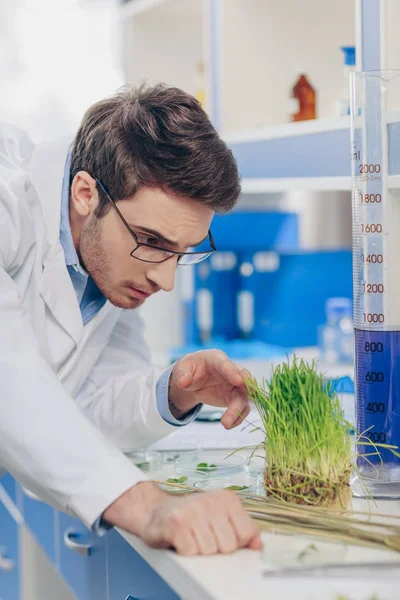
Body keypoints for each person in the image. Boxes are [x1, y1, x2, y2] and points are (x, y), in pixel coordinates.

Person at [0, 83, 261, 556]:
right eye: (152, 240)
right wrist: (148, 507)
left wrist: (174, 392)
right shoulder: (8, 199)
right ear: (85, 193)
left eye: (182, 253)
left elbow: (88, 407)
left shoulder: (106, 265)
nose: (166, 280)